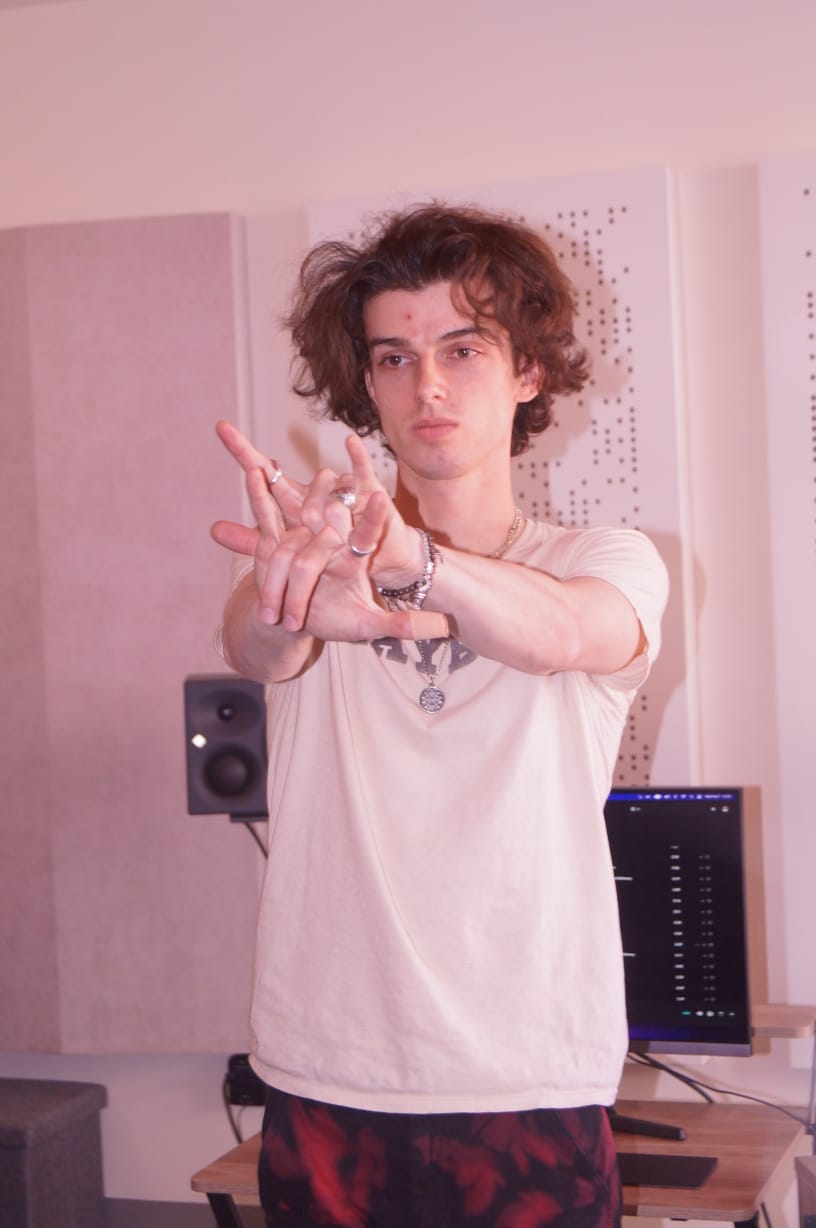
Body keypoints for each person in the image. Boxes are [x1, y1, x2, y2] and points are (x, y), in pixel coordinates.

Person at [211, 202, 669, 1228]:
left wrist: (412, 565)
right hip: (329, 1065)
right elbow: (252, 643)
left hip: (528, 1071)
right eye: (394, 358)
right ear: (367, 384)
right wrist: (292, 605)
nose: (427, 385)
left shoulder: (605, 561)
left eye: (463, 349)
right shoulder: (319, 559)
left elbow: (561, 633)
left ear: (528, 371)